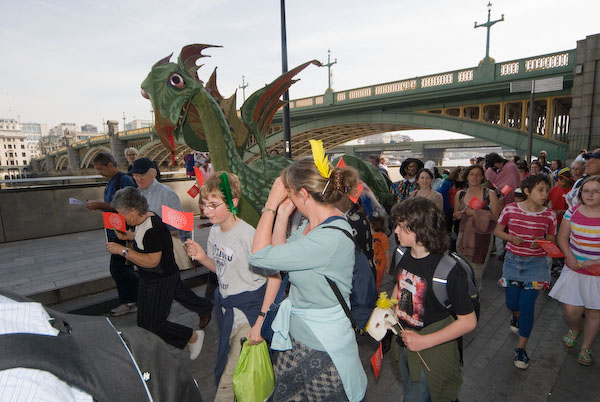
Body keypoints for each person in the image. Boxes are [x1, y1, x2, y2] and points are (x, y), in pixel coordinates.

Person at [248, 153, 368, 402]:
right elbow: (280, 257)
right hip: (296, 337)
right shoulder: (313, 225)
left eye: (289, 192)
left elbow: (259, 257)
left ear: (303, 194)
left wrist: (270, 204)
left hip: (323, 348)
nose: (287, 196)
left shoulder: (328, 238)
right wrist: (282, 215)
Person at [184, 171, 280, 402]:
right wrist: (203, 258)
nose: (206, 210)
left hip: (248, 314)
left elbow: (274, 278)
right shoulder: (215, 231)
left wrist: (260, 322)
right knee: (239, 372)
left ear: (233, 203)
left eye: (213, 205)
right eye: (204, 204)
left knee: (228, 379)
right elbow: (221, 269)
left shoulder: (249, 236)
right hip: (227, 312)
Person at [390, 197, 477, 402]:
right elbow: (400, 283)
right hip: (406, 339)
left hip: (432, 344)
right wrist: (389, 306)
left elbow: (468, 321)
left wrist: (424, 341)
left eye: (402, 227)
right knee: (425, 389)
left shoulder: (448, 270)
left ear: (421, 231)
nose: (395, 231)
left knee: (429, 392)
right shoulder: (402, 253)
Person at [107, 187, 204, 359]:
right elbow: (140, 236)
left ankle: (192, 336)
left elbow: (152, 260)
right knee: (144, 322)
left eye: (121, 213)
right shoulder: (144, 220)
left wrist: (122, 250)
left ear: (134, 211)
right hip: (148, 278)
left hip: (161, 279)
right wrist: (127, 237)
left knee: (155, 324)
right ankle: (154, 354)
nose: (120, 217)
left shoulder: (153, 227)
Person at [130, 158, 213, 329]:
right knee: (173, 286)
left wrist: (187, 247)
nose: (138, 178)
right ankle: (202, 307)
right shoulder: (137, 194)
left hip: (164, 248)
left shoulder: (165, 193)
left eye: (142, 175)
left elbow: (181, 224)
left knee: (168, 284)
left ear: (153, 173)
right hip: (146, 247)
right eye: (135, 175)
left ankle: (156, 322)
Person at [493, 174, 557, 369]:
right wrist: (512, 239)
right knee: (512, 302)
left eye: (547, 190)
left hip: (536, 265)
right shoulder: (510, 209)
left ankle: (521, 349)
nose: (545, 194)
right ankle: (516, 314)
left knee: (528, 305)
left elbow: (552, 240)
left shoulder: (549, 215)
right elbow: (498, 231)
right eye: (540, 190)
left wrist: (541, 244)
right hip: (512, 262)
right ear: (527, 191)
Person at [549, 176, 600, 366]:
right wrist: (569, 256)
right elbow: (562, 237)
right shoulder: (573, 211)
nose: (590, 195)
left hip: (597, 273)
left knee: (595, 311)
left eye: (596, 191)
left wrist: (596, 261)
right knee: (571, 310)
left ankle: (586, 348)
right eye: (586, 191)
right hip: (575, 269)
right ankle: (575, 328)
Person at [85, 152, 139, 316]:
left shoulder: (124, 180)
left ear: (110, 165)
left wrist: (102, 204)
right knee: (122, 268)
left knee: (119, 269)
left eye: (101, 168)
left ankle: (135, 299)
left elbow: (128, 205)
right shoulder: (111, 182)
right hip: (114, 231)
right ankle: (132, 300)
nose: (99, 172)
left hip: (124, 233)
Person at [453, 165, 500, 291]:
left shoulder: (489, 194)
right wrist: (457, 215)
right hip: (463, 236)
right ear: (467, 176)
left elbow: (495, 217)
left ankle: (475, 298)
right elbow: (456, 214)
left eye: (478, 174)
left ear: (482, 177)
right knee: (463, 269)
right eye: (472, 174)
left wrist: (474, 213)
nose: (475, 177)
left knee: (476, 272)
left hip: (482, 237)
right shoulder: (460, 194)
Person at [371, 216, 390, 291]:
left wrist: (387, 266)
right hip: (375, 265)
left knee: (377, 284)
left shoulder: (383, 237)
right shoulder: (373, 235)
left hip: (379, 265)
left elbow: (387, 251)